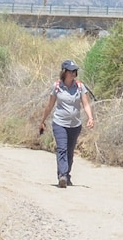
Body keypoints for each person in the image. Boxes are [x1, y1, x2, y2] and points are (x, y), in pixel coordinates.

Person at [36, 58, 95, 188]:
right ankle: (62, 175)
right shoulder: (57, 86)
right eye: (71, 71)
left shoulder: (80, 87)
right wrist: (43, 121)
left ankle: (66, 175)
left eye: (75, 71)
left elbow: (85, 104)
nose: (73, 73)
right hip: (59, 123)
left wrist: (90, 118)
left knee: (69, 151)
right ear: (64, 72)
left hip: (75, 125)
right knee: (62, 149)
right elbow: (50, 105)